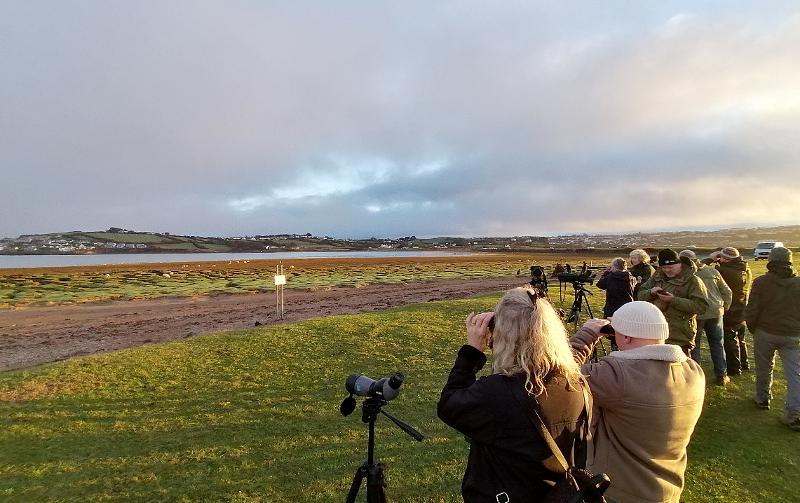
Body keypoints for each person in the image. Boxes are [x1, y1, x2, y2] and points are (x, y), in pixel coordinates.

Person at [438, 287, 589, 502]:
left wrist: (472, 351)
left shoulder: (498, 393)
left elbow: (449, 405)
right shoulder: (575, 384)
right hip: (557, 494)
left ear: (503, 334)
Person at [570, 301, 705, 503]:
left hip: (619, 491)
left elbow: (558, 371)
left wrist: (588, 335)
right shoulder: (694, 372)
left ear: (626, 336)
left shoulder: (617, 376)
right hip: (667, 489)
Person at [745, 247, 800, 431]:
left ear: (771, 260)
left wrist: (753, 327)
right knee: (795, 374)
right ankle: (794, 413)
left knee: (764, 367)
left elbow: (752, 308)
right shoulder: (798, 283)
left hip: (765, 331)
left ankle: (762, 399)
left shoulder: (761, 282)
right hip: (793, 334)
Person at [637, 249, 709, 355]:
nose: (667, 270)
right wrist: (651, 292)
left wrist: (673, 300)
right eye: (664, 267)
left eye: (670, 267)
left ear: (679, 264)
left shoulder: (693, 281)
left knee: (682, 369)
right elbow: (640, 295)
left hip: (680, 336)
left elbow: (701, 307)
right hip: (657, 333)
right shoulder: (656, 278)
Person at [680, 249, 733, 385]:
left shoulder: (684, 275)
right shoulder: (712, 271)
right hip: (715, 312)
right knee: (717, 344)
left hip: (696, 313)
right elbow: (727, 291)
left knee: (694, 345)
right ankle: (721, 375)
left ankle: (696, 377)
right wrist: (724, 307)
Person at [717, 247, 752, 375]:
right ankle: (744, 363)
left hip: (730, 309)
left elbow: (703, 267)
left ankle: (734, 368)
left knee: (730, 339)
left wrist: (713, 259)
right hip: (742, 306)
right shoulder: (745, 268)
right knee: (740, 338)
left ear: (725, 259)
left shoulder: (724, 271)